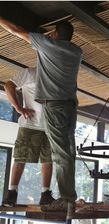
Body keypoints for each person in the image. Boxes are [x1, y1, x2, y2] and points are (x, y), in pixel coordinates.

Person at [0, 17, 83, 212]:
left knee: (60, 154)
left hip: (54, 107)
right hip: (70, 106)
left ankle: (66, 198)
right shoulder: (77, 51)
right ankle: (67, 196)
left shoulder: (49, 45)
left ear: (55, 34)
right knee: (67, 151)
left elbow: (16, 29)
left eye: (52, 33)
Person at [3, 67, 54, 206]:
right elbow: (8, 85)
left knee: (48, 160)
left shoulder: (57, 76)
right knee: (20, 158)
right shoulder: (30, 73)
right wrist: (18, 108)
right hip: (30, 124)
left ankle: (46, 195)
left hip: (50, 126)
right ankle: (11, 195)